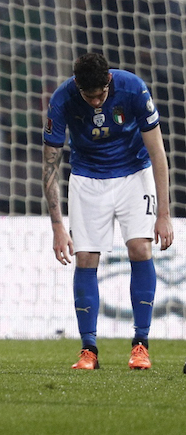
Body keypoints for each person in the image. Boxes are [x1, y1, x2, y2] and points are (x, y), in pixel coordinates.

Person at [42, 53, 173, 371]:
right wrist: (58, 225)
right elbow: (50, 166)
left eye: (102, 93)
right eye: (91, 96)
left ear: (109, 81)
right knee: (85, 259)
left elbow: (157, 153)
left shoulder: (133, 88)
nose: (98, 100)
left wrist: (164, 214)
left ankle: (140, 345)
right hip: (88, 179)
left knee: (140, 248)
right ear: (77, 86)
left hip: (133, 174)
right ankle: (89, 350)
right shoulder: (63, 99)